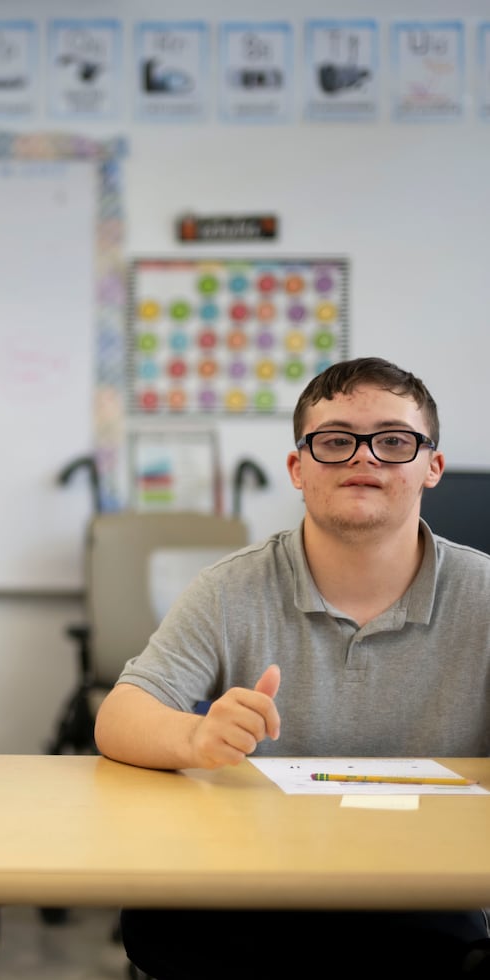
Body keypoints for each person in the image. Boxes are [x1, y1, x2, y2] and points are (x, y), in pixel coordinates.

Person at [94, 357, 490, 979]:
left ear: (432, 466)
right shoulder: (228, 588)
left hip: (423, 892)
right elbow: (120, 716)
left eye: (394, 441)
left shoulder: (486, 594)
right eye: (335, 441)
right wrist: (194, 736)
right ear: (297, 468)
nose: (365, 457)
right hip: (254, 887)